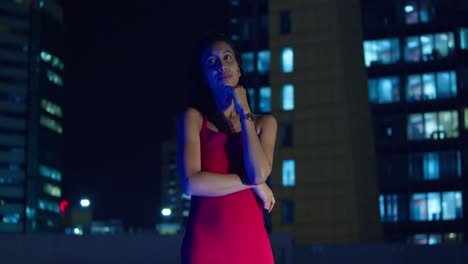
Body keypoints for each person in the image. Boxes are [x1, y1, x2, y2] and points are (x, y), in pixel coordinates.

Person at [177, 33, 277, 264]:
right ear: (204, 76)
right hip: (206, 246)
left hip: (253, 245)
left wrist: (244, 112)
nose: (221, 65)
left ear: (239, 69)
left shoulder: (265, 123)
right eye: (212, 63)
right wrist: (254, 183)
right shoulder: (193, 119)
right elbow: (191, 183)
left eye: (227, 58)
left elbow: (259, 172)